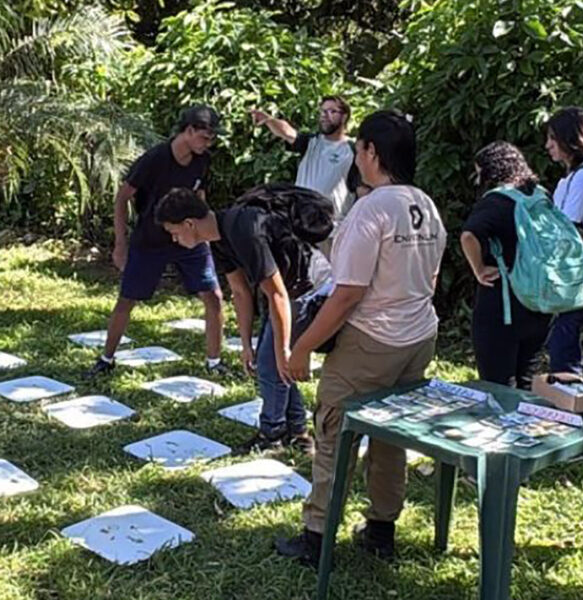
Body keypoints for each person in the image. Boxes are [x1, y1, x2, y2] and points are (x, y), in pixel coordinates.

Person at [276, 110, 447, 565]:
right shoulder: (426, 205)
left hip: (371, 340)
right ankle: (380, 529)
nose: (355, 154)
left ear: (372, 152)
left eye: (360, 148)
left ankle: (317, 535)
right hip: (418, 336)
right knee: (390, 432)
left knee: (333, 430)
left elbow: (347, 294)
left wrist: (303, 346)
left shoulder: (372, 209)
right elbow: (430, 279)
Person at [155, 184, 333, 453]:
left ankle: (272, 435)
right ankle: (298, 431)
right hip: (284, 288)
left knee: (271, 362)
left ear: (189, 223)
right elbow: (240, 293)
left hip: (308, 284)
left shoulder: (244, 229)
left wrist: (284, 349)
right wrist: (246, 343)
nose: (174, 240)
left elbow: (279, 296)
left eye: (174, 232)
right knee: (268, 359)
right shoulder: (218, 239)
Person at [85, 105, 227, 377]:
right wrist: (120, 244)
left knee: (213, 296)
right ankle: (106, 359)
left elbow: (201, 199)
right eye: (205, 137)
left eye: (211, 139)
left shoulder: (202, 160)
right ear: (189, 131)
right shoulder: (155, 159)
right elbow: (122, 197)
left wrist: (207, 236)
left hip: (191, 238)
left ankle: (214, 362)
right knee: (127, 299)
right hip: (150, 240)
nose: (208, 143)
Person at [460, 142, 553, 388]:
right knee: (525, 382)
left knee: (498, 386)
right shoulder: (540, 195)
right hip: (538, 303)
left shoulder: (496, 201)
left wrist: (478, 268)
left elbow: (468, 235)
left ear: (491, 172)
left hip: (502, 307)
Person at [544, 107, 583, 375]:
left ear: (571, 140)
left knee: (563, 347)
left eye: (553, 139)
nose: (547, 146)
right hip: (565, 275)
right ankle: (566, 396)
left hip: (576, 276)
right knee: (560, 341)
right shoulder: (571, 178)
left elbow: (566, 227)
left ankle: (572, 402)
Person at [250, 96, 360, 220]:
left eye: (332, 111)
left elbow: (362, 190)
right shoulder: (310, 142)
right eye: (323, 111)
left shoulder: (353, 150)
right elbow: (287, 132)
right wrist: (269, 120)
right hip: (300, 223)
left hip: (332, 230)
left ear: (344, 116)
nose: (325, 115)